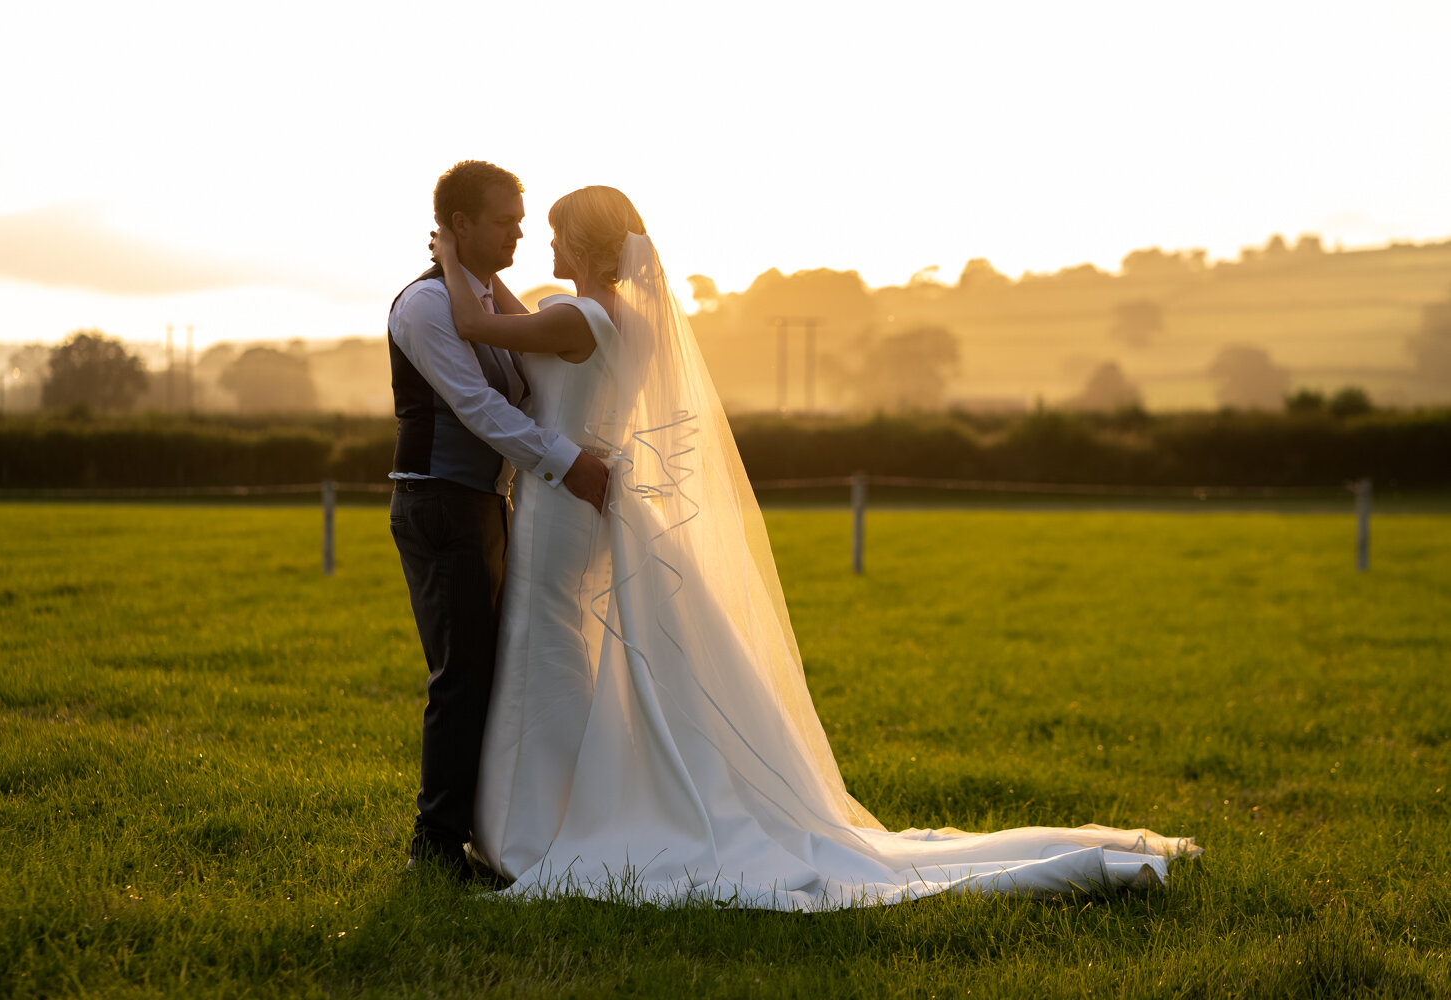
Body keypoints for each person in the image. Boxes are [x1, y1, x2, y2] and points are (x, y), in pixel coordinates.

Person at [432, 186, 1200, 910]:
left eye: (558, 230)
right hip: (584, 501)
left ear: (586, 244)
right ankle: (561, 808)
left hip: (560, 506)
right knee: (561, 648)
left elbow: (476, 325)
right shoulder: (620, 319)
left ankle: (542, 825)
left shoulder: (576, 318)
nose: (544, 240)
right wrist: (477, 275)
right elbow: (512, 314)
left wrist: (451, 260)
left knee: (549, 643)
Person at [386, 161, 609, 876]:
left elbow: (513, 372)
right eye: (506, 220)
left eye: (524, 219)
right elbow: (475, 407)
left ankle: (484, 827)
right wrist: (563, 461)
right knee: (462, 675)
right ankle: (435, 847)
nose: (520, 229)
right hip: (439, 500)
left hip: (488, 503)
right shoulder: (424, 307)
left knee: (487, 668)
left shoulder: (482, 298)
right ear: (458, 226)